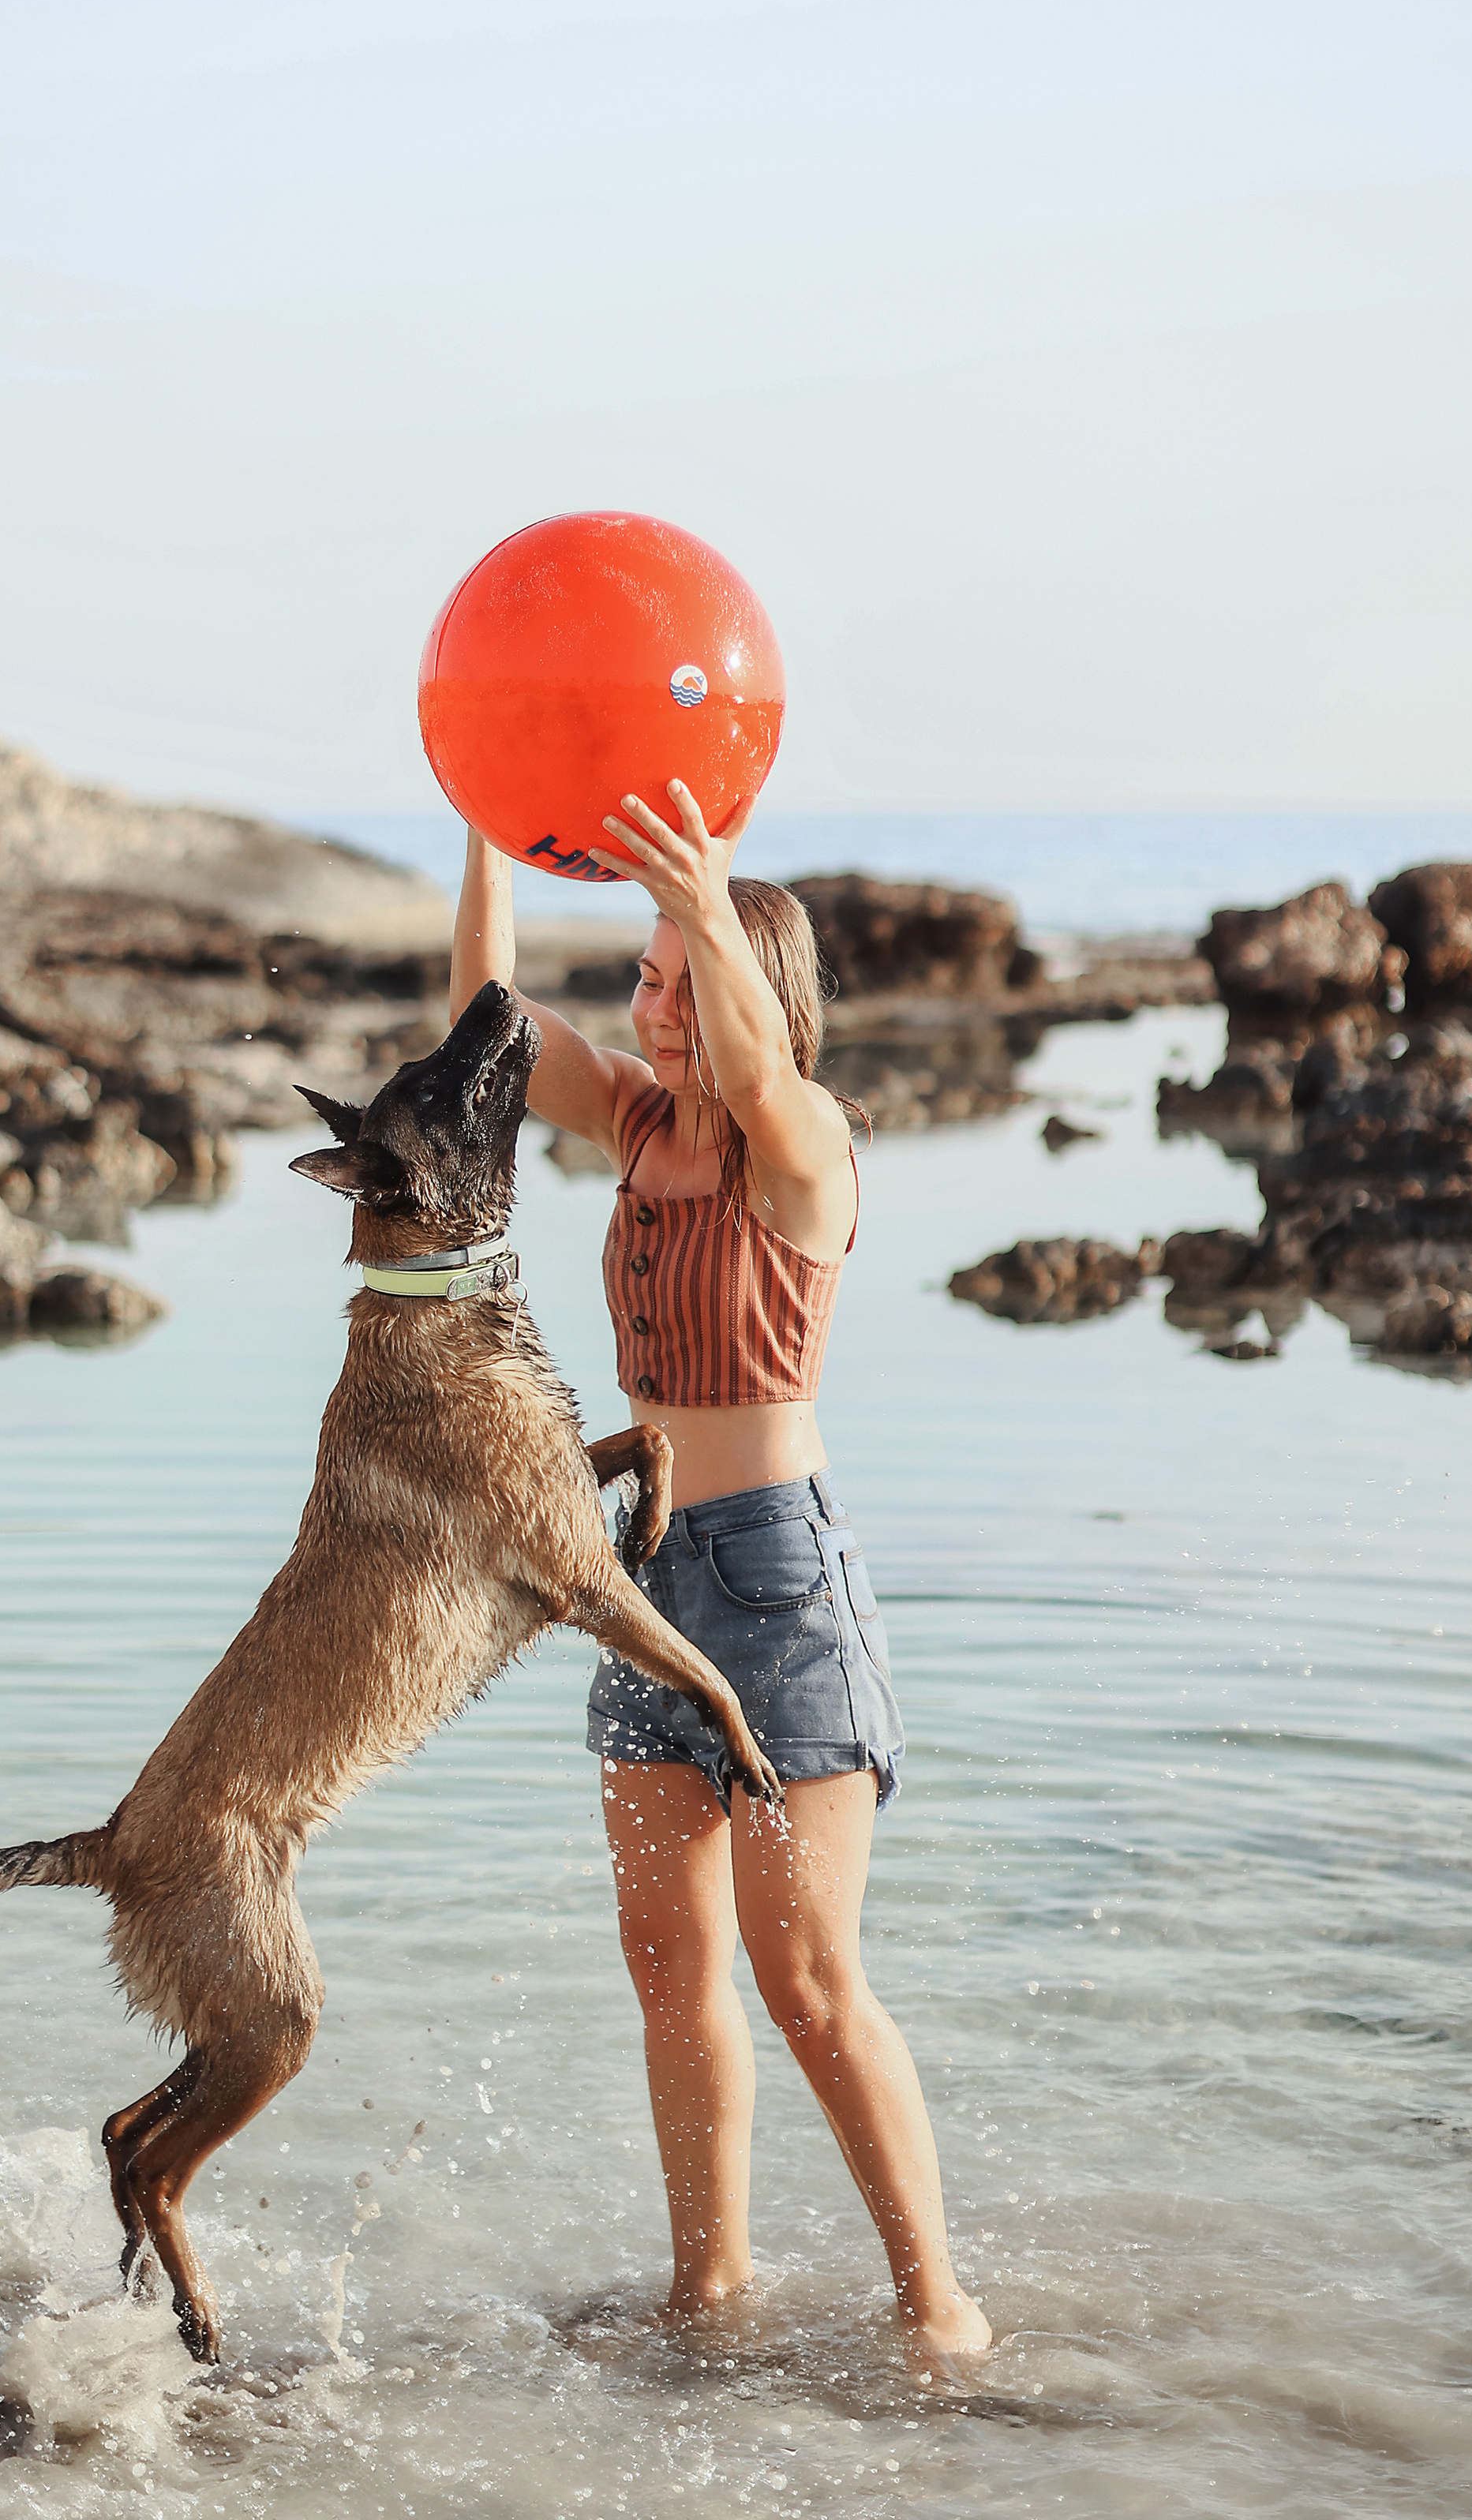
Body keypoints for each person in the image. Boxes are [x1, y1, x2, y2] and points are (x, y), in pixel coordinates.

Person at [451, 781, 990, 2360]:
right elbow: (484, 1020)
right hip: (642, 1571)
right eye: (645, 976)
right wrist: (490, 815)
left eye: (685, 978)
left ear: (753, 991)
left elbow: (757, 1066)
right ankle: (709, 2287)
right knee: (665, 1960)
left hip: (778, 1588)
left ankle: (937, 2314)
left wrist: (703, 898)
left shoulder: (803, 1147)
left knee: (805, 1972)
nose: (659, 1006)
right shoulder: (630, 1123)